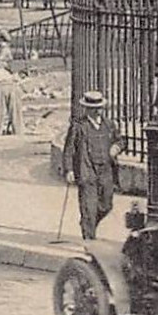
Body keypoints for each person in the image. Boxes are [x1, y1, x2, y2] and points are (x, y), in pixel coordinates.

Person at [63, 90, 121, 240]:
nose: (97, 111)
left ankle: (89, 223)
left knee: (106, 205)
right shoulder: (78, 126)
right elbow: (69, 148)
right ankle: (89, 239)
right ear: (87, 108)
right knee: (89, 207)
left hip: (105, 171)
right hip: (86, 170)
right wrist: (69, 169)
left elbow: (121, 140)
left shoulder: (109, 124)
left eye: (99, 107)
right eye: (93, 108)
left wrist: (117, 147)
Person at [0, 58, 26, 136]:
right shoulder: (4, 71)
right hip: (14, 86)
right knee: (15, 111)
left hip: (1, 87)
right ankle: (18, 131)